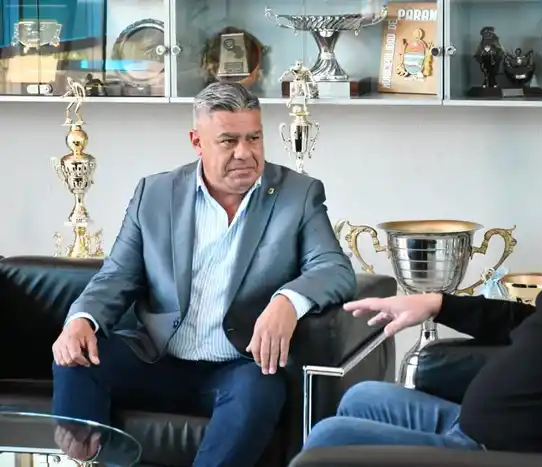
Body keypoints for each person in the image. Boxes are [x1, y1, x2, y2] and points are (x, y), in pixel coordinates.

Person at [304, 140, 542, 465]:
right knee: (362, 397)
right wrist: (439, 304)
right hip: (472, 429)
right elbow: (529, 322)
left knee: (329, 438)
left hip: (491, 454)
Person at [51, 82, 356, 467]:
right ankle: (84, 461)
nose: (245, 153)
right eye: (228, 141)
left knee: (260, 390)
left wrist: (287, 301)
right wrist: (81, 319)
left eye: (254, 138)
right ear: (197, 142)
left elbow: (333, 268)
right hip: (158, 358)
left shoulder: (297, 195)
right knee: (73, 358)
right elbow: (116, 276)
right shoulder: (155, 193)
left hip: (239, 366)